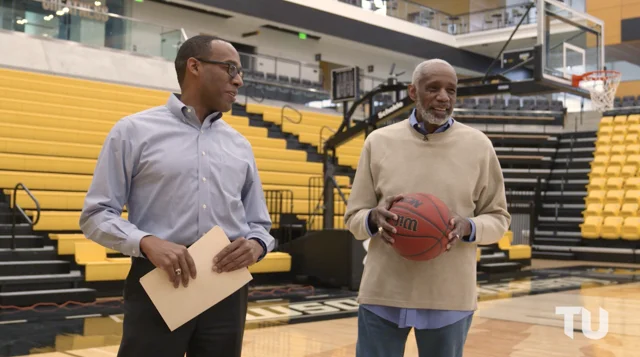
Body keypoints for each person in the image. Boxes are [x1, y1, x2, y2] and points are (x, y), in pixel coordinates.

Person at [79, 35, 274, 357]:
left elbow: (259, 224)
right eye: (230, 69)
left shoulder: (240, 145)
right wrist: (146, 242)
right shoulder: (133, 131)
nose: (238, 80)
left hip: (225, 283)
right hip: (158, 278)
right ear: (194, 66)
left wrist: (256, 245)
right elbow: (96, 215)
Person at [344, 58, 511, 357]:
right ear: (413, 92)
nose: (443, 97)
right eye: (433, 88)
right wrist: (372, 217)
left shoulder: (479, 145)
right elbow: (354, 217)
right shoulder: (378, 142)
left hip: (449, 297)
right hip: (383, 292)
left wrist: (468, 226)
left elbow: (499, 218)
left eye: (451, 90)